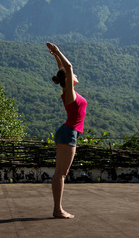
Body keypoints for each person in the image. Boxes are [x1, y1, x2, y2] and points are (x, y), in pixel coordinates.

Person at [46, 42, 87, 219]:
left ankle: (58, 209)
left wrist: (55, 57)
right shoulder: (69, 93)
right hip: (68, 133)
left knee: (61, 172)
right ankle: (58, 210)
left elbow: (63, 69)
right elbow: (68, 67)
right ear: (68, 80)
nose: (75, 75)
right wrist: (57, 51)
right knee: (61, 173)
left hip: (68, 133)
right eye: (73, 76)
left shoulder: (67, 90)